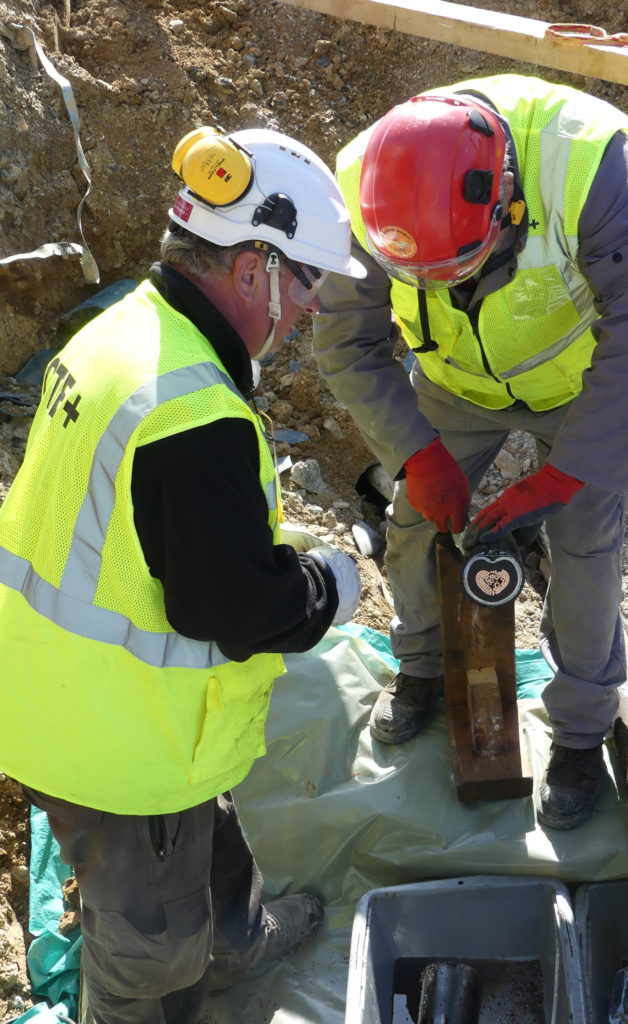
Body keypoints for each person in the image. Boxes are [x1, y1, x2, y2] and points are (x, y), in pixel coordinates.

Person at [0, 125, 365, 1023]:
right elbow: (236, 610)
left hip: (61, 688)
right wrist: (333, 584)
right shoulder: (189, 413)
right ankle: (148, 996)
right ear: (252, 269)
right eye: (307, 279)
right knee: (150, 955)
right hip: (116, 742)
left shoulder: (126, 328)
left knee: (208, 854)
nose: (313, 306)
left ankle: (233, 943)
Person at [312, 73, 628, 830]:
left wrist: (570, 470)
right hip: (454, 381)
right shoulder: (364, 188)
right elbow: (347, 342)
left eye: (459, 270)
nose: (445, 290)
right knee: (415, 517)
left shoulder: (585, 164)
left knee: (583, 541)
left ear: (508, 199)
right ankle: (421, 666)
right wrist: (416, 453)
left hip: (578, 380)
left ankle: (580, 732)